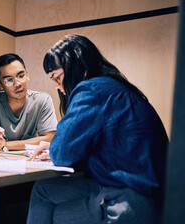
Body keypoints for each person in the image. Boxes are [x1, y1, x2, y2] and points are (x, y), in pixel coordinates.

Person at [27, 35, 168, 224]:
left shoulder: (90, 90)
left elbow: (62, 154)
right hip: (152, 196)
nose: (58, 86)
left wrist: (55, 147)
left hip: (130, 201)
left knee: (55, 213)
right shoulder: (116, 88)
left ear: (75, 67)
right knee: (43, 189)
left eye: (58, 77)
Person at [0, 53, 58, 154]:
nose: (17, 84)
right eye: (8, 80)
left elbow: (50, 138)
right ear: (0, 85)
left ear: (27, 75)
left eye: (21, 76)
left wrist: (4, 145)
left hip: (30, 160)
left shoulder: (42, 100)